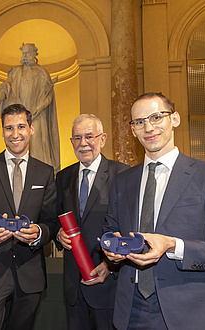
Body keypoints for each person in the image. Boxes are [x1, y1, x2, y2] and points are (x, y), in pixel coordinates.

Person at [103, 92, 205, 330]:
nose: (148, 127)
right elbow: (111, 231)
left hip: (192, 313)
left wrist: (173, 245)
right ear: (133, 130)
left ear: (175, 119)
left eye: (156, 117)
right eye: (139, 122)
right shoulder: (123, 182)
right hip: (131, 313)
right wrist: (111, 250)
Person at [0, 103, 58, 330]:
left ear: (31, 129)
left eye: (20, 127)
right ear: (2, 131)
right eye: (9, 128)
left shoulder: (45, 172)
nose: (15, 134)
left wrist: (38, 233)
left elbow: (51, 222)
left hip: (30, 274)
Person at [55, 114, 128, 330]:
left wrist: (110, 265)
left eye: (89, 136)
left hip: (107, 283)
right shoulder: (63, 177)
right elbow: (57, 218)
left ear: (102, 139)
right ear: (71, 142)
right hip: (73, 287)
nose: (83, 143)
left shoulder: (123, 175)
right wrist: (58, 235)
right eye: (77, 138)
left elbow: (130, 229)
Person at [0, 43, 60, 173]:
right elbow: (6, 87)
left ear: (34, 55)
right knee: (17, 140)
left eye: (27, 53)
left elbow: (48, 95)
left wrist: (40, 107)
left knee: (39, 145)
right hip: (18, 118)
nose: (25, 56)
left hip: (37, 115)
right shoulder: (15, 72)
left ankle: (40, 174)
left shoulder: (42, 73)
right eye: (24, 53)